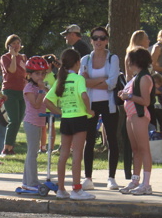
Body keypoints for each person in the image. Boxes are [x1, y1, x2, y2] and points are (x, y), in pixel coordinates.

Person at [45, 49, 94, 200]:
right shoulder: (79, 79)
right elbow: (84, 96)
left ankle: (61, 189)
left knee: (64, 154)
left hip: (66, 119)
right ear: (78, 63)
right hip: (79, 118)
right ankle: (76, 190)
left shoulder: (60, 80)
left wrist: (59, 112)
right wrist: (89, 110)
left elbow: (46, 101)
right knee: (77, 154)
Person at [80, 26, 121, 190]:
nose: (99, 41)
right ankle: (88, 177)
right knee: (89, 140)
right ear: (91, 40)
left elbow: (112, 83)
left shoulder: (113, 58)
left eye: (102, 38)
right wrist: (101, 80)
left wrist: (91, 81)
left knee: (111, 139)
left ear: (107, 40)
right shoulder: (85, 60)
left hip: (108, 104)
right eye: (95, 38)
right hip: (90, 105)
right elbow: (81, 83)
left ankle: (111, 178)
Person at [118, 48, 154, 195]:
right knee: (136, 149)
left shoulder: (144, 78)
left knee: (144, 148)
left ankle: (146, 184)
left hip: (139, 115)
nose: (128, 63)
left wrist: (129, 96)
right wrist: (124, 95)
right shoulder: (136, 77)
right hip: (131, 115)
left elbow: (145, 101)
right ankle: (135, 180)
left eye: (130, 60)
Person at [18, 56, 50, 192]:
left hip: (39, 122)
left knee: (32, 152)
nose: (40, 77)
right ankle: (31, 181)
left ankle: (27, 181)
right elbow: (36, 104)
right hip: (31, 122)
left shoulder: (41, 87)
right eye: (37, 74)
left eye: (43, 73)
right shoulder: (29, 88)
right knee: (32, 153)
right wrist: (42, 90)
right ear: (30, 74)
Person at [0, 34, 27, 156]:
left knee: (19, 120)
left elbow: (26, 73)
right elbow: (12, 70)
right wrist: (13, 56)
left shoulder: (24, 57)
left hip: (22, 91)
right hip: (10, 91)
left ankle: (11, 147)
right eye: (14, 43)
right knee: (14, 120)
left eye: (18, 43)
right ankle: (5, 148)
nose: (16, 46)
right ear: (9, 45)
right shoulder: (5, 57)